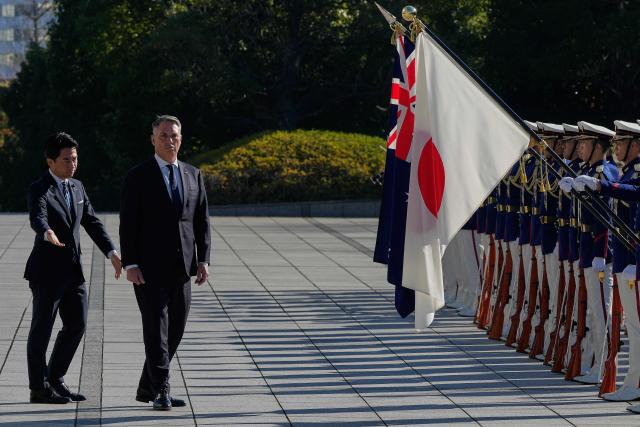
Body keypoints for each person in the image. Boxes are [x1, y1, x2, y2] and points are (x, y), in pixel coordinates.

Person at [119, 115, 211, 410]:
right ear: (153, 140)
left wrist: (204, 259)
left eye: (174, 135)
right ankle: (162, 390)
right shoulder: (139, 176)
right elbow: (128, 224)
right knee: (156, 329)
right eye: (164, 136)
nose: (170, 140)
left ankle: (148, 385)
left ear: (181, 138)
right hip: (148, 268)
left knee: (176, 329)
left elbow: (201, 221)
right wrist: (130, 263)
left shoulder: (192, 174)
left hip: (183, 267)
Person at [24, 132, 122, 404]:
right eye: (66, 160)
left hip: (73, 272)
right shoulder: (39, 188)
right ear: (50, 161)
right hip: (46, 273)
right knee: (41, 329)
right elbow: (38, 216)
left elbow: (91, 221)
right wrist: (46, 232)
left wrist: (111, 251)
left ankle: (55, 378)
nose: (72, 164)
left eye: (75, 159)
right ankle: (38, 388)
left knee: (77, 323)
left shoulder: (77, 187)